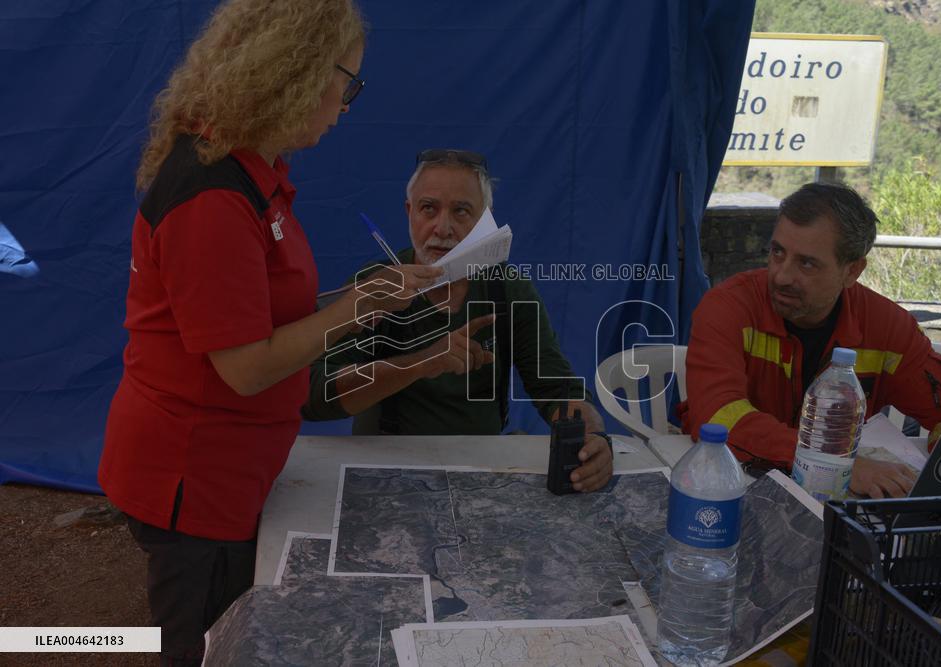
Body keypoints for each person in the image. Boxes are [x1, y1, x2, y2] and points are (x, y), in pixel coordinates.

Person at [97, 2, 441, 664]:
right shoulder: (214, 197)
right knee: (200, 645)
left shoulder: (248, 173)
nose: (347, 104)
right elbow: (246, 366)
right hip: (194, 478)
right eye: (350, 82)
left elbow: (251, 309)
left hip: (226, 465)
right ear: (302, 74)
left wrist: (360, 300)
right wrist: (356, 306)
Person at [302, 149, 614, 492]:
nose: (443, 227)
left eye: (461, 211)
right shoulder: (375, 287)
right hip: (386, 471)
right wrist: (421, 364)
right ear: (410, 213)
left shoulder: (508, 289)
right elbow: (315, 396)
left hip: (481, 471)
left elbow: (558, 389)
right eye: (428, 209)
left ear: (486, 222)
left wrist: (593, 439)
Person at [678, 182, 941, 498]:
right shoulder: (727, 307)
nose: (781, 275)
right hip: (730, 488)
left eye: (806, 263)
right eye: (777, 252)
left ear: (852, 271)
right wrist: (834, 466)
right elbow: (716, 415)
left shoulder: (887, 326)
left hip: (838, 506)